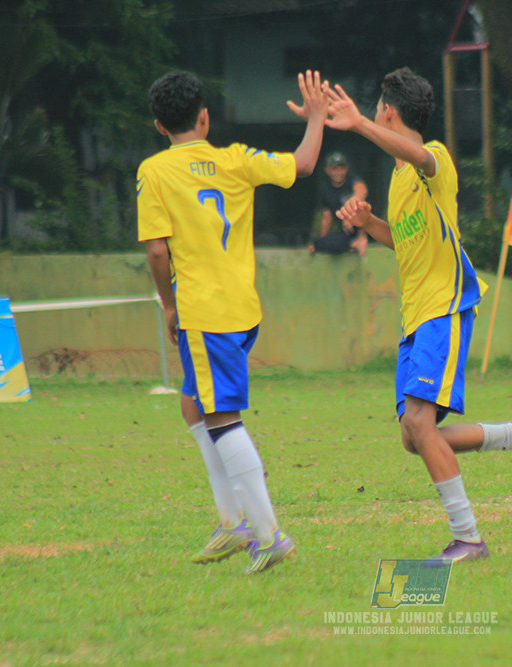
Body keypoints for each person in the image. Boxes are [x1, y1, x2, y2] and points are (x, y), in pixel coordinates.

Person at [325, 67, 512, 565]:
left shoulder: (436, 160)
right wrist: (369, 223)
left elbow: (420, 155)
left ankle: (469, 539)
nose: (370, 117)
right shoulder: (396, 177)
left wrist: (359, 127)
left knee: (419, 421)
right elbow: (404, 242)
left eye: (374, 113)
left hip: (445, 308)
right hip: (416, 318)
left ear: (388, 112)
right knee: (415, 437)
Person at [137, 69, 329, 573]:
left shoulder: (154, 172)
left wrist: (169, 304)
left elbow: (158, 252)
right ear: (204, 116)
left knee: (222, 417)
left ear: (160, 126)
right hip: (243, 310)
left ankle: (268, 534)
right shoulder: (238, 159)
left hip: (204, 311)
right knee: (192, 406)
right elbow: (306, 163)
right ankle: (232, 523)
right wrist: (315, 118)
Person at [308, 151, 369, 255]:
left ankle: (361, 239)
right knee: (317, 244)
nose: (339, 172)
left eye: (342, 168)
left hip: (365, 226)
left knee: (361, 207)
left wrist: (349, 213)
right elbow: (327, 217)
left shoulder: (351, 179)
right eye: (335, 169)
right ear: (327, 170)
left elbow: (361, 191)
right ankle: (352, 244)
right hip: (347, 231)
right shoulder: (325, 189)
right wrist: (323, 240)